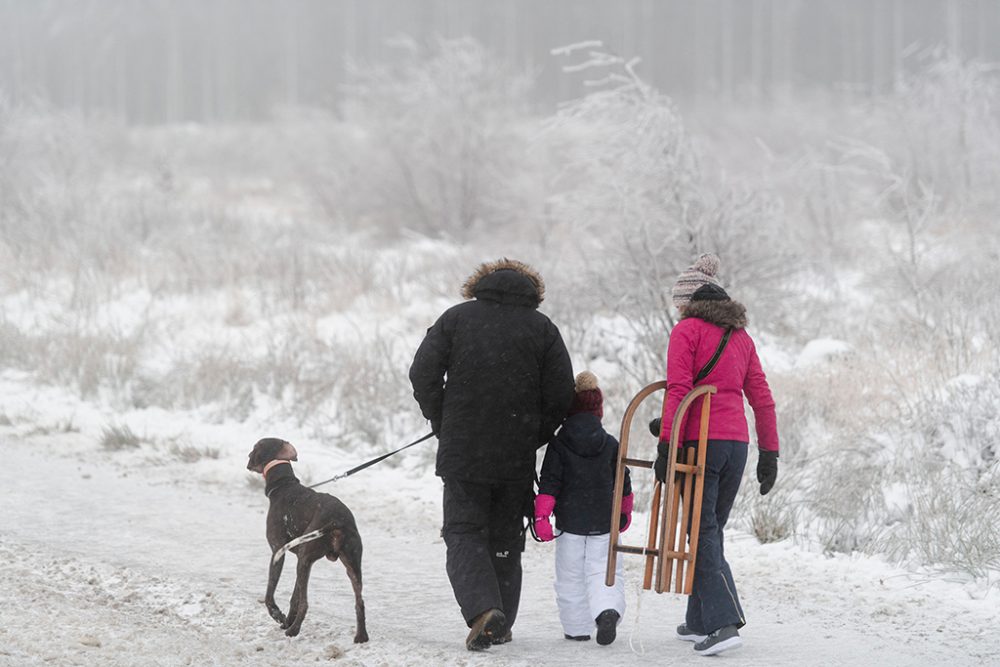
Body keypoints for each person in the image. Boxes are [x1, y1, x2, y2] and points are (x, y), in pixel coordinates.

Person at [409, 258, 575, 651]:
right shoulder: (542, 328)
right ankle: (500, 618)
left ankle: (485, 611)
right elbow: (561, 392)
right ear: (532, 291)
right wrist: (533, 433)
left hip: (464, 449)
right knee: (504, 536)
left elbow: (422, 373)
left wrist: (442, 417)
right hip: (514, 453)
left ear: (478, 285)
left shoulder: (456, 319)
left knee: (463, 531)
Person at [651, 253, 779, 657]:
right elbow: (761, 398)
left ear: (687, 303)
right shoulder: (741, 338)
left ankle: (724, 623)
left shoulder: (686, 332)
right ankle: (700, 620)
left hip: (699, 444)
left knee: (701, 530)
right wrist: (769, 452)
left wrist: (666, 443)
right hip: (736, 446)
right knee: (710, 530)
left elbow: (679, 389)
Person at [534, 371, 634, 646]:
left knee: (570, 576)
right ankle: (607, 611)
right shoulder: (611, 444)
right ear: (598, 410)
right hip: (603, 521)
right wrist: (624, 509)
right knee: (605, 570)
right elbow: (623, 479)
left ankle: (577, 627)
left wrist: (542, 515)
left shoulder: (559, 444)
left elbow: (550, 481)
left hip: (571, 524)